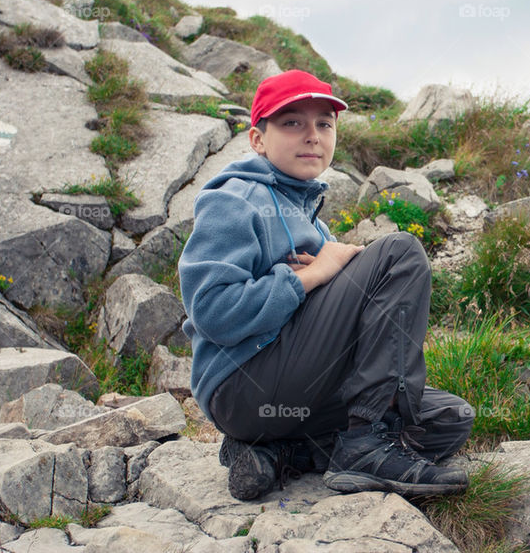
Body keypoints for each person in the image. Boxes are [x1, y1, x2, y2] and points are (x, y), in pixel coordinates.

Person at [178, 70, 473, 501]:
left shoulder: (314, 221)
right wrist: (311, 275)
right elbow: (213, 312)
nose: (312, 136)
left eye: (324, 124)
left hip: (298, 391)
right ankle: (365, 443)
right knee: (401, 252)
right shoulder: (234, 198)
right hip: (241, 385)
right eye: (292, 122)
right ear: (258, 139)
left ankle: (282, 453)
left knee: (448, 418)